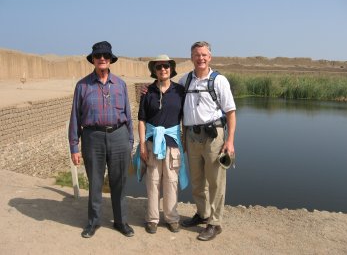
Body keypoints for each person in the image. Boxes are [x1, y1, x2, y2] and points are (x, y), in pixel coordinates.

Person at [68, 41, 134, 238]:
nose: (102, 58)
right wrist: (74, 146)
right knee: (95, 182)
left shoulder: (120, 85)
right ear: (93, 60)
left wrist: (130, 142)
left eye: (105, 55)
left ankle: (121, 221)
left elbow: (129, 115)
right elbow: (75, 118)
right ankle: (93, 222)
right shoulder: (82, 86)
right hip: (92, 137)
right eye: (98, 56)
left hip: (119, 136)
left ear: (110, 59)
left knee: (119, 182)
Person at [179, 41, 236, 241]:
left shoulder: (219, 81)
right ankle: (202, 214)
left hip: (214, 138)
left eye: (204, 55)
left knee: (216, 182)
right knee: (197, 181)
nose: (200, 58)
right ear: (191, 57)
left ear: (210, 57)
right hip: (192, 137)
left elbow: (230, 112)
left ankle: (215, 222)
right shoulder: (184, 80)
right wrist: (148, 91)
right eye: (197, 55)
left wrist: (230, 141)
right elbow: (169, 95)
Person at [137, 55, 188, 234]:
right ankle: (152, 219)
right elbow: (141, 120)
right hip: (151, 144)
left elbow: (186, 119)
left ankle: (172, 217)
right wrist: (142, 145)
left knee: (171, 182)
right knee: (153, 182)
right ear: (154, 71)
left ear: (171, 69)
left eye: (166, 66)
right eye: (159, 67)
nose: (163, 70)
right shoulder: (147, 92)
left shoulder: (180, 92)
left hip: (172, 144)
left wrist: (186, 141)